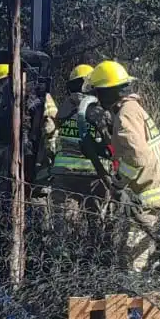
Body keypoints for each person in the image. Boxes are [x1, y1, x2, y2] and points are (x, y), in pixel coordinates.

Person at [86, 60, 160, 274]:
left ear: (108, 92)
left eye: (99, 93)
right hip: (148, 191)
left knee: (133, 257)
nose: (98, 99)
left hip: (145, 194)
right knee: (137, 250)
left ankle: (138, 300)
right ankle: (139, 297)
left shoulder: (126, 113)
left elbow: (137, 157)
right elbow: (129, 150)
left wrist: (118, 183)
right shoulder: (132, 109)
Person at [0, 63, 57, 178]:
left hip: (31, 149)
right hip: (11, 148)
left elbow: (48, 125)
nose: (0, 86)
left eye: (2, 81)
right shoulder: (4, 99)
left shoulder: (34, 97)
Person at [51, 64, 102, 211]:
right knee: (97, 222)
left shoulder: (64, 108)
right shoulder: (98, 109)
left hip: (64, 172)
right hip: (93, 173)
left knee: (63, 221)